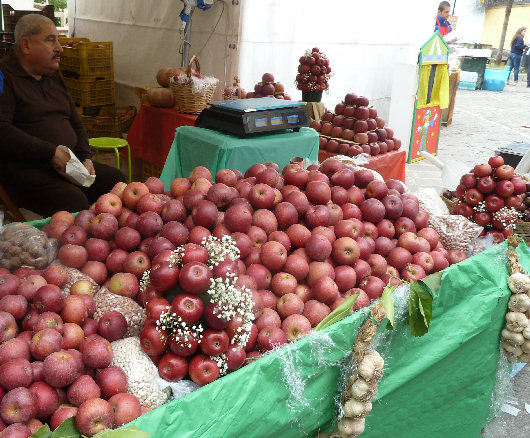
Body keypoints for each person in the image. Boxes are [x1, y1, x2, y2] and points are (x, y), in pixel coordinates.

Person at [0, 14, 126, 218]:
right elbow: (2, 129)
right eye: (51, 40)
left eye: (58, 40)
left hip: (70, 164)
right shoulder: (3, 76)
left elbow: (75, 121)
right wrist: (50, 152)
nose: (59, 47)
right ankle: (75, 247)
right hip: (24, 170)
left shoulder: (52, 75)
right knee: (74, 201)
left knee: (117, 183)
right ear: (26, 45)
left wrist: (85, 157)